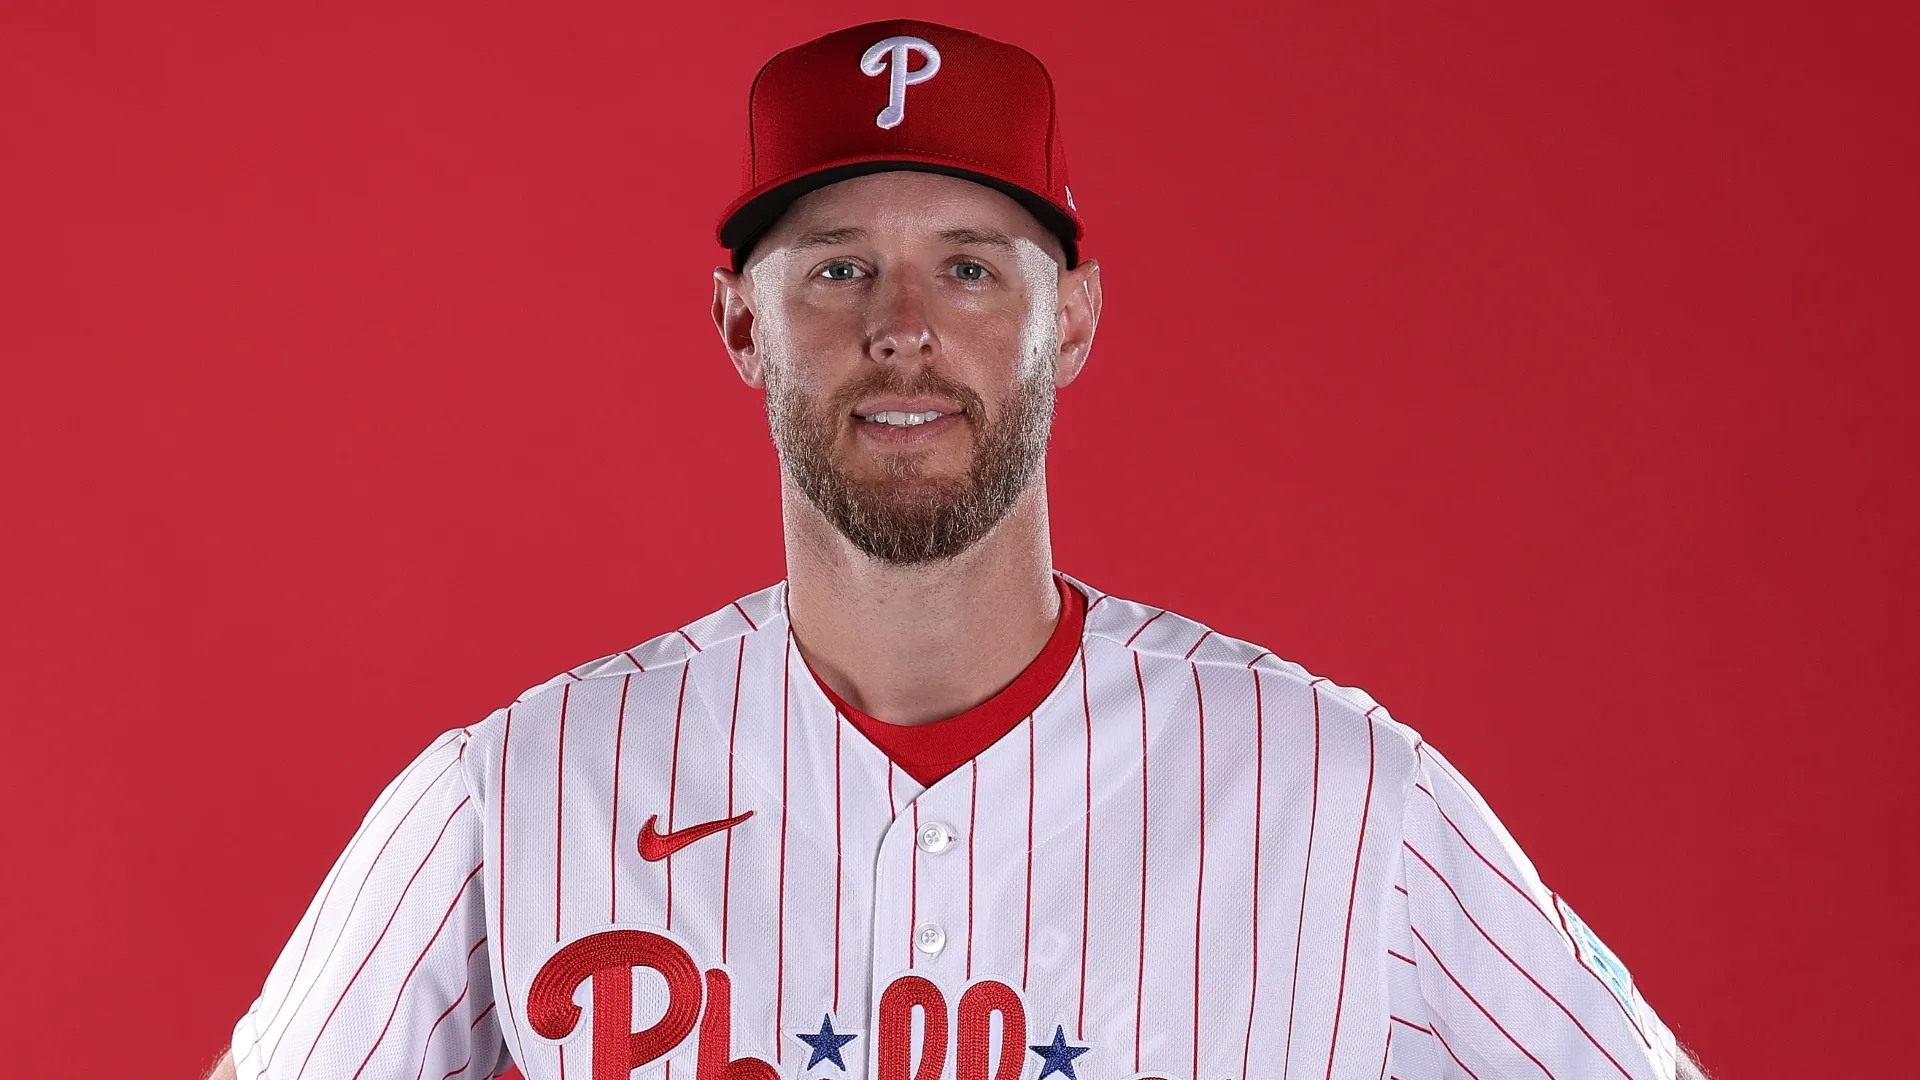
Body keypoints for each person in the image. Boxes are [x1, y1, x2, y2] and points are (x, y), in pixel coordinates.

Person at [207, 18, 1710, 1080]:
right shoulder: (518, 793)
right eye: (842, 265)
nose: (904, 326)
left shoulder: (1336, 798)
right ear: (741, 322)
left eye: (972, 267)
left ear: (1076, 321)